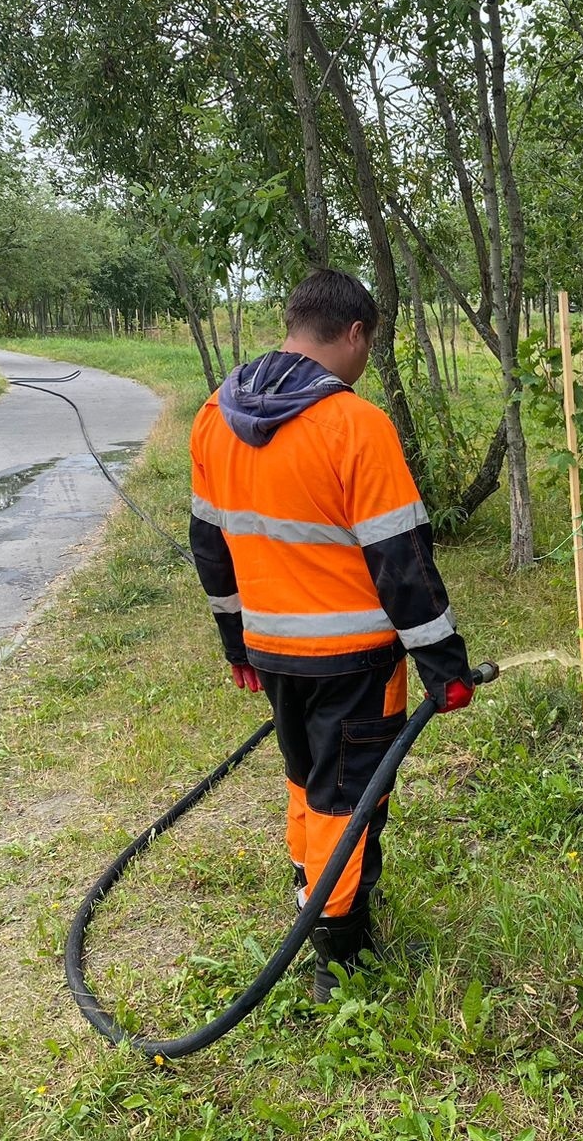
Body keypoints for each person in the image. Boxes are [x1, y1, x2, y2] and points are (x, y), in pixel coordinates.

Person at [188, 268, 474, 1001]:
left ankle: (309, 890)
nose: (366, 361)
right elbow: (400, 562)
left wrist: (235, 644)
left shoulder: (215, 415)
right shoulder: (356, 426)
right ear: (354, 334)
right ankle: (337, 955)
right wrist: (445, 667)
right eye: (369, 347)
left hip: (274, 653)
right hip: (354, 662)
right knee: (349, 801)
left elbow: (210, 548)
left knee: (305, 779)